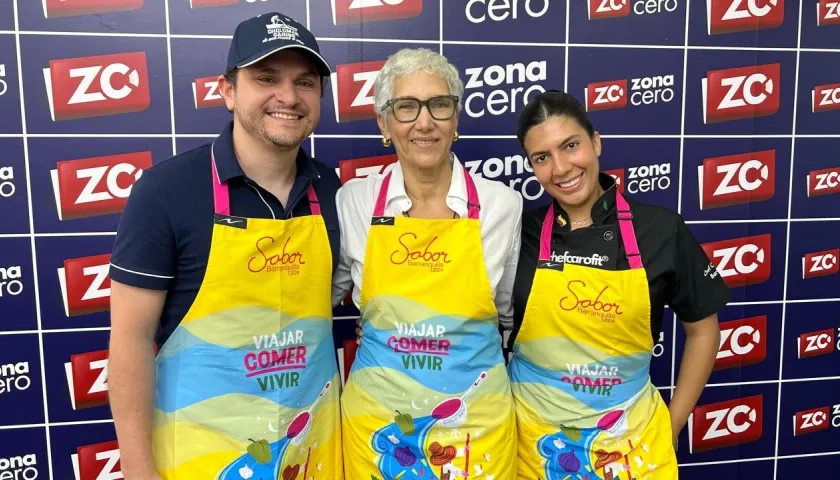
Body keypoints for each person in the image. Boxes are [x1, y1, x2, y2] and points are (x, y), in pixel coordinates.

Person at [106, 12, 344, 480]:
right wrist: (137, 469)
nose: (289, 97)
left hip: (312, 454)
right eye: (266, 78)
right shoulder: (166, 190)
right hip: (201, 458)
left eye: (306, 82)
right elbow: (129, 340)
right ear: (228, 91)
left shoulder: (334, 191)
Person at [506, 91, 727, 480]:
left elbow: (703, 329)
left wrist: (671, 424)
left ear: (595, 142)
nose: (560, 168)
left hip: (630, 447)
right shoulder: (519, 233)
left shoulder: (660, 229)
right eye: (542, 158)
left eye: (570, 146)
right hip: (532, 447)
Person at [333, 47, 522, 479]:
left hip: (477, 425)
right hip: (380, 426)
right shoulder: (354, 202)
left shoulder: (501, 205)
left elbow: (507, 316)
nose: (424, 122)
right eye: (406, 107)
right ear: (384, 122)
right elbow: (319, 299)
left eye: (439, 105)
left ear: (456, 119)